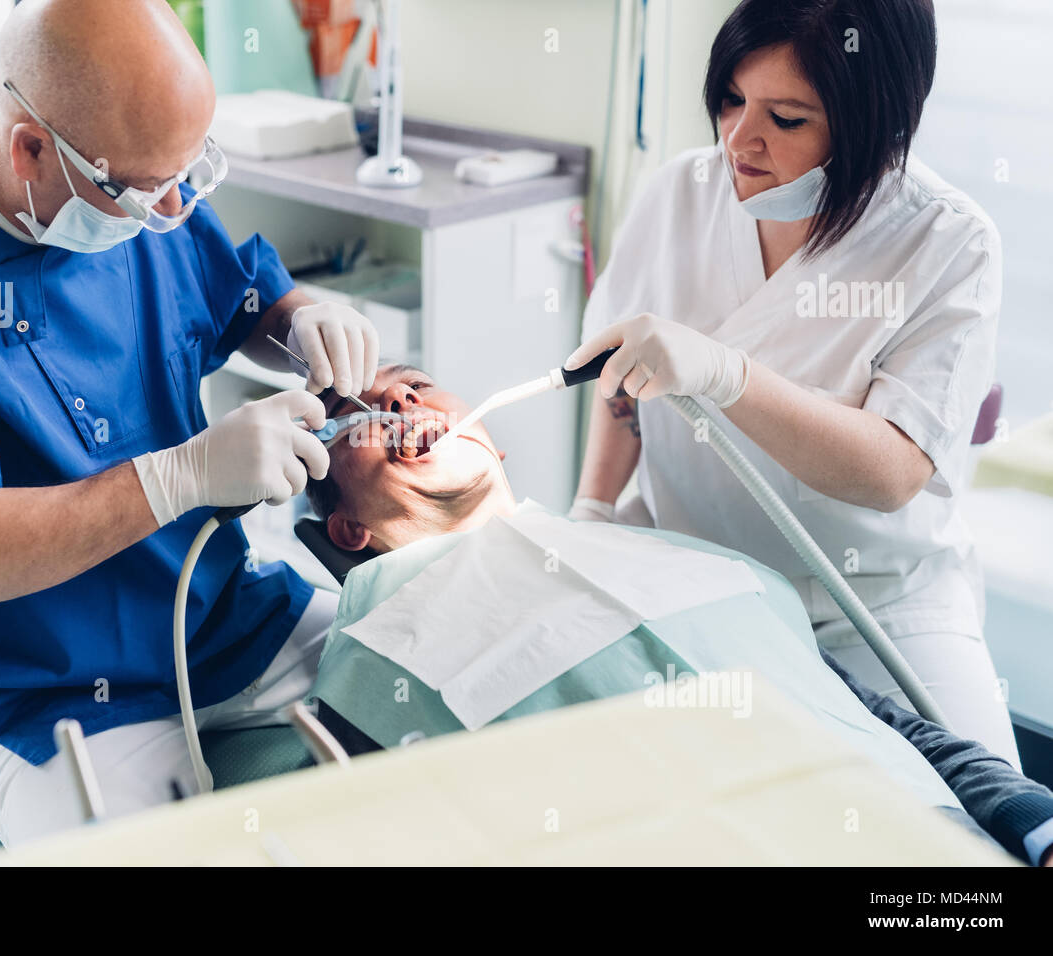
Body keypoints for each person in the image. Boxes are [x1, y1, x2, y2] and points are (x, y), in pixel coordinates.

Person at [0, 0, 380, 847]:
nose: (172, 206)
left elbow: (238, 294)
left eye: (189, 176)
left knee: (424, 693)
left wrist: (299, 320)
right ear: (31, 145)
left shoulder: (136, 194)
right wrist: (179, 477)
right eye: (148, 187)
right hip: (40, 694)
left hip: (223, 619)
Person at [304, 365, 1053, 866]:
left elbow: (897, 729)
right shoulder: (372, 662)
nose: (397, 405)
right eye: (353, 418)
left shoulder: (685, 561)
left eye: (415, 384)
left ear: (492, 440)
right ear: (346, 531)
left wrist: (1036, 824)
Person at [564, 0, 1019, 766]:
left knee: (978, 818)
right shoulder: (678, 192)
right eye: (733, 100)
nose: (740, 139)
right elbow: (619, 376)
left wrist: (729, 374)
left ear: (875, 123)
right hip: (690, 568)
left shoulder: (947, 242)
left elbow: (892, 470)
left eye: (788, 118)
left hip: (873, 601)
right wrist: (593, 511)